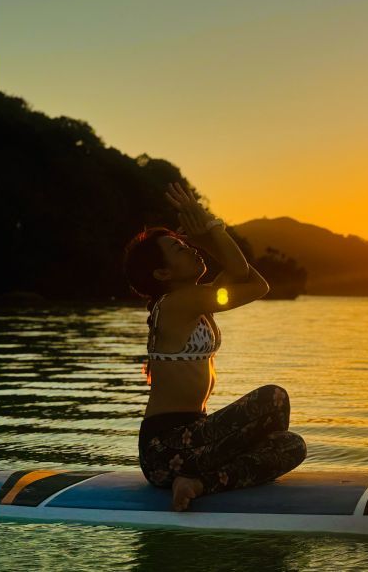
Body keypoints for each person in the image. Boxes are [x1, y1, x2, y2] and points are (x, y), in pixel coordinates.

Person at [122, 181, 307, 511]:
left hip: (196, 441)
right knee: (273, 398)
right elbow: (244, 275)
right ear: (162, 272)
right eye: (180, 248)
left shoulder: (196, 300)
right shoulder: (176, 303)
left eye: (186, 243)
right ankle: (196, 476)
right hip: (165, 448)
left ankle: (198, 482)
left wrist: (204, 239)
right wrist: (210, 229)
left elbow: (256, 283)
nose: (191, 249)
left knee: (290, 445)